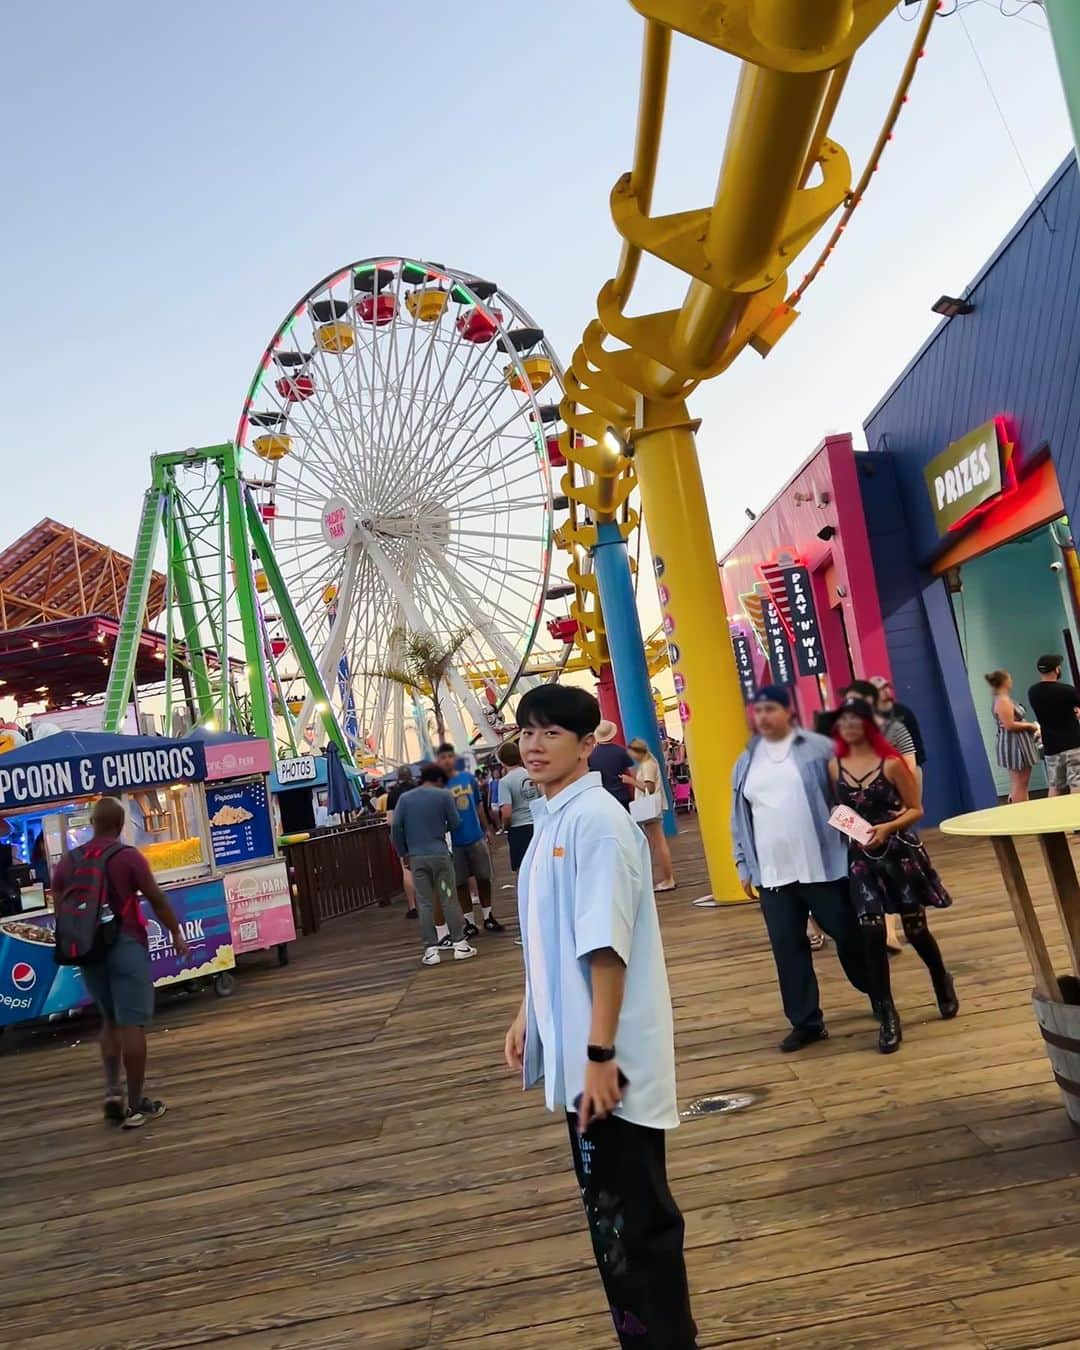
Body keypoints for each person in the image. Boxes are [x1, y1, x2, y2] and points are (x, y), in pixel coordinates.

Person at [504, 684, 698, 1348]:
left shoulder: (597, 820)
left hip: (609, 1064)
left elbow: (604, 946)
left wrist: (598, 1055)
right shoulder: (552, 815)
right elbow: (550, 934)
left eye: (551, 733)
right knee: (611, 1218)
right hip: (581, 1052)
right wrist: (529, 1010)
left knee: (635, 1222)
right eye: (526, 731)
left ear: (588, 744)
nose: (533, 744)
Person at [730, 685, 871, 1053]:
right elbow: (738, 817)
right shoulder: (746, 760)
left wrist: (865, 840)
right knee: (787, 947)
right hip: (773, 876)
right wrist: (743, 863)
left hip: (823, 867)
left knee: (849, 936)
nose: (762, 716)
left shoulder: (818, 748)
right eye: (757, 710)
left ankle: (877, 993)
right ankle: (806, 1022)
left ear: (788, 712)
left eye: (770, 709)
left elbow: (845, 797)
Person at [50, 796, 191, 1128]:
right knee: (132, 1024)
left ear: (93, 823)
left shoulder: (70, 861)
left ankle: (112, 1091)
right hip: (126, 943)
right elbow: (155, 898)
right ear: (120, 825)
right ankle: (136, 1104)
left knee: (109, 1019)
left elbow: (59, 903)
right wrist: (176, 932)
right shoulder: (128, 857)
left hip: (88, 948)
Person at [828, 696, 957, 1053]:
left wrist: (886, 828)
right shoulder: (835, 766)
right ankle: (887, 1013)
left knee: (915, 930)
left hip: (898, 851)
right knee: (870, 931)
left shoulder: (892, 764)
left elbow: (916, 809)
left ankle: (940, 977)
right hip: (861, 856)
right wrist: (848, 826)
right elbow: (836, 806)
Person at [389, 763, 478, 966]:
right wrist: (440, 826)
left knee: (425, 902)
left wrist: (404, 853)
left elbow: (395, 829)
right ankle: (460, 945)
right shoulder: (443, 796)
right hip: (439, 856)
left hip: (417, 859)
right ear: (438, 780)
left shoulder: (405, 798)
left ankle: (431, 950)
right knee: (448, 898)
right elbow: (455, 823)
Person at [436, 742, 504, 936]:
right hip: (454, 843)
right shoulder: (439, 788)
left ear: (454, 758)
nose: (447, 761)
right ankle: (469, 921)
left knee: (484, 877)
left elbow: (478, 805)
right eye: (443, 758)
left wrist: (487, 828)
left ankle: (488, 915)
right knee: (460, 883)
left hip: (475, 836)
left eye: (450, 756)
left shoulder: (468, 779)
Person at [621, 738, 676, 892]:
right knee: (658, 843)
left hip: (649, 808)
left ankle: (668, 878)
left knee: (658, 844)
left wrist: (630, 781)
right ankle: (666, 877)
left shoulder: (647, 766)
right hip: (652, 807)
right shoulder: (651, 762)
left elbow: (649, 788)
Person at [1028, 654, 1080, 796]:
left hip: (1051, 746)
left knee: (1055, 785)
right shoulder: (1067, 690)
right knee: (1077, 782)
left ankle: (1053, 816)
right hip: (1072, 743)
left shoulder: (1033, 692)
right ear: (1056, 669)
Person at [985, 669, 1040, 803]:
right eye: (1009, 678)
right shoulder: (1002, 701)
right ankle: (1019, 811)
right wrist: (1030, 726)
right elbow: (1009, 725)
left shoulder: (1005, 699)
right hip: (1014, 744)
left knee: (1023, 781)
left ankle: (1024, 808)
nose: (1011, 681)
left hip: (1019, 742)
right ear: (1004, 681)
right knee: (1019, 781)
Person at [495, 740, 540, 872]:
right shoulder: (531, 774)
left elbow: (507, 812)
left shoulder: (504, 782)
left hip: (518, 828)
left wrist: (504, 826)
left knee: (523, 869)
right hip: (537, 824)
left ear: (502, 761)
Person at [870, 676, 927, 768]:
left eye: (887, 687)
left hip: (909, 766)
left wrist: (914, 765)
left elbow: (916, 741)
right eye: (881, 689)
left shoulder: (903, 712)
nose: (886, 691)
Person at [385, 765, 419, 919]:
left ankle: (412, 906)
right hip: (421, 832)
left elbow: (390, 821)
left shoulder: (393, 794)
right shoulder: (419, 789)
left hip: (403, 835)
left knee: (407, 870)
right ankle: (429, 902)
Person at [588, 720, 635, 810]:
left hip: (603, 797)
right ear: (612, 735)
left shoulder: (591, 754)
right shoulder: (621, 751)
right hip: (622, 795)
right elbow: (632, 772)